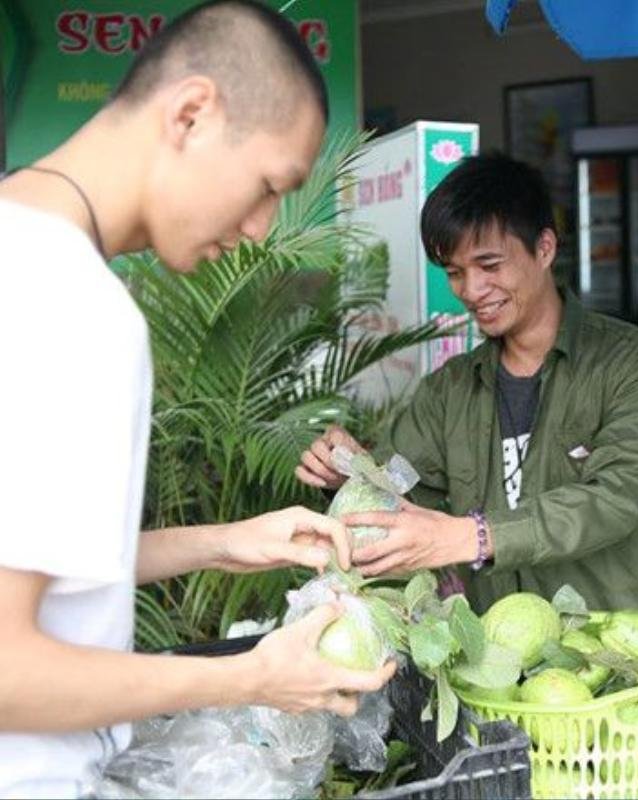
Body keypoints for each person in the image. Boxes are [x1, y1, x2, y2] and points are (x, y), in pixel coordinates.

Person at [0, 3, 394, 796]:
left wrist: (224, 541)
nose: (261, 229)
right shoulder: (76, 307)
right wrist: (250, 678)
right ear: (191, 113)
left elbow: (30, 566)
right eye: (268, 186)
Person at [296, 153, 638, 623]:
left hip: (628, 651)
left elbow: (617, 495)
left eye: (489, 264)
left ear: (544, 249)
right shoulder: (448, 391)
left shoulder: (636, 364)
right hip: (504, 667)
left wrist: (474, 537)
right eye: (455, 272)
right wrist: (350, 474)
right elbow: (402, 498)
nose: (471, 289)